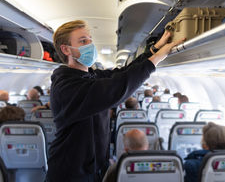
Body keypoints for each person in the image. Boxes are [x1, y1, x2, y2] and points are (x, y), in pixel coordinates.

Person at [46, 20, 184, 182]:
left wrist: (153, 50)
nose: (90, 45)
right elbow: (117, 87)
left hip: (92, 168)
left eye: (90, 40)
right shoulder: (66, 87)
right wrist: (155, 60)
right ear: (66, 49)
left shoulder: (90, 76)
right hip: (70, 173)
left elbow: (123, 72)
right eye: (83, 41)